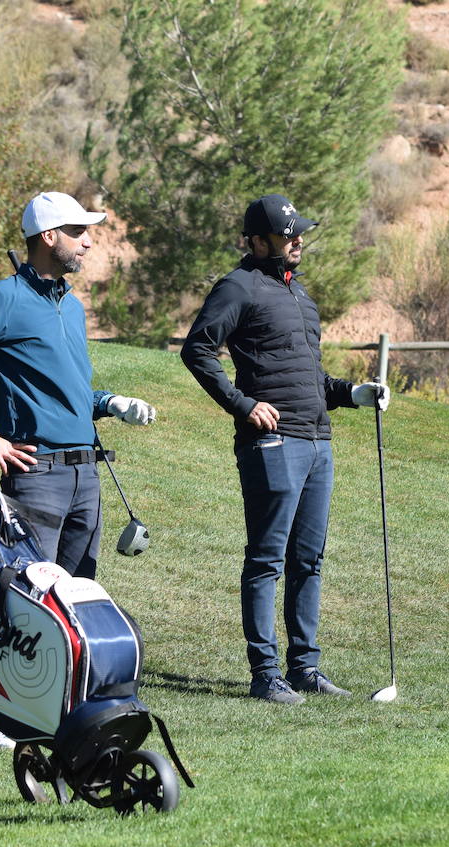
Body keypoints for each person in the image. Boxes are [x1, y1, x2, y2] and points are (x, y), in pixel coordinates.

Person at [0, 191, 156, 745]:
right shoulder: (0, 299)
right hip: (36, 474)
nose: (88, 240)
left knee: (77, 598)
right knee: (29, 598)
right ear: (47, 237)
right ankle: (7, 719)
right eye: (78, 231)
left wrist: (108, 403)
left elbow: (68, 387)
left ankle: (66, 709)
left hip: (84, 474)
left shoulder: (70, 305)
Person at [181, 193, 389, 706]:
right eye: (287, 234)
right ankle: (265, 674)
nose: (298, 240)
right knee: (267, 559)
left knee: (309, 559)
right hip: (272, 442)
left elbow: (309, 377)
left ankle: (305, 668)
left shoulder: (301, 297)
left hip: (318, 440)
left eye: (300, 232)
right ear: (257, 241)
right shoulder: (238, 286)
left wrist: (353, 394)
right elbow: (197, 350)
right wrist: (241, 403)